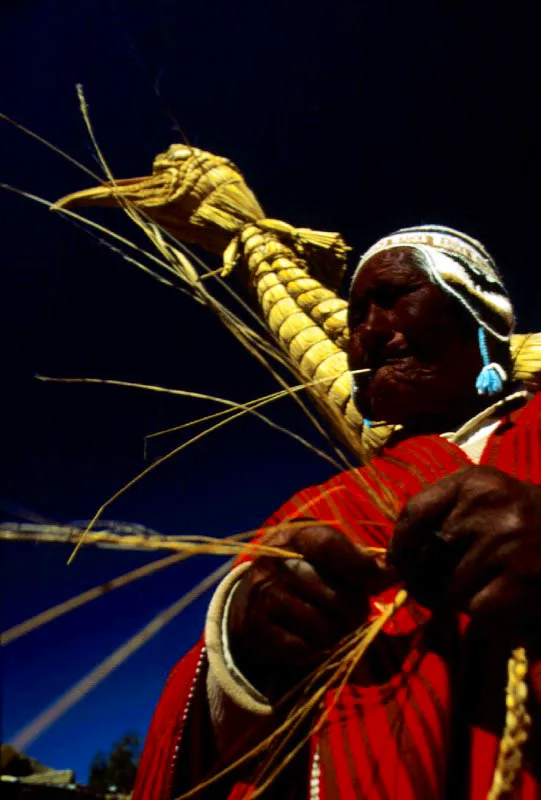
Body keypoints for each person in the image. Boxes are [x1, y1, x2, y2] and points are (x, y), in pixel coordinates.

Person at [133, 226, 541, 800]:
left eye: (394, 295)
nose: (368, 332)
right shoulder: (319, 509)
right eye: (355, 319)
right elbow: (207, 733)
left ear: (483, 312)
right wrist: (245, 644)